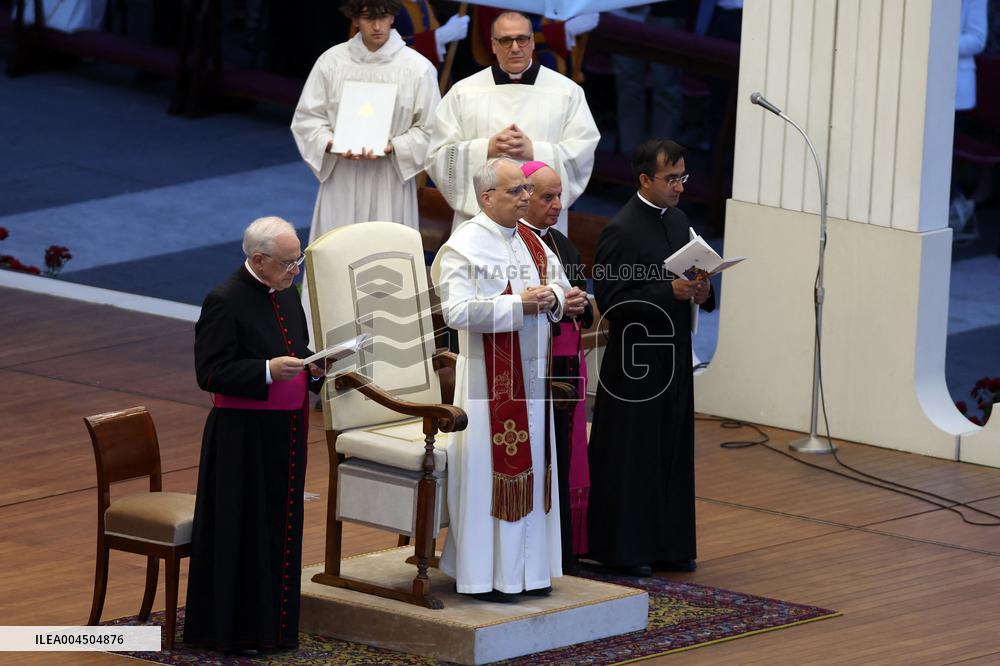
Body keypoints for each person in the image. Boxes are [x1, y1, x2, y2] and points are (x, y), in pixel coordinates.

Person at [431, 157, 589, 601]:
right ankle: (486, 576)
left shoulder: (533, 242)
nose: (525, 197)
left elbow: (557, 287)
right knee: (487, 473)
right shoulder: (464, 244)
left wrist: (562, 300)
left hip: (532, 380)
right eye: (516, 191)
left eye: (525, 189)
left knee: (534, 468)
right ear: (486, 198)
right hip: (487, 385)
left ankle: (529, 572)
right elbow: (456, 312)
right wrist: (519, 304)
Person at [184, 217, 324, 652]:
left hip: (285, 434)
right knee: (244, 531)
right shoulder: (224, 300)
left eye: (297, 260)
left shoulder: (284, 292)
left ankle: (276, 628)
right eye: (287, 263)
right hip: (241, 440)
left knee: (279, 528)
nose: (294, 270)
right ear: (258, 259)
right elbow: (209, 372)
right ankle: (236, 631)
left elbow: (294, 348)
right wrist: (265, 370)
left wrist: (314, 365)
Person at [587, 139, 715, 577]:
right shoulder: (620, 230)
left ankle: (670, 544)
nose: (680, 186)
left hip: (675, 354)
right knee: (634, 453)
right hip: (634, 363)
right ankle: (624, 548)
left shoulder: (678, 221)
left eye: (683, 177)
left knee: (672, 449)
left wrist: (703, 289)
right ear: (645, 180)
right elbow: (611, 300)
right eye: (671, 178)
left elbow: (694, 278)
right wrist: (669, 291)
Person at [425, 11, 600, 235]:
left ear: (533, 42)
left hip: (539, 223)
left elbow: (582, 152)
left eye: (522, 39)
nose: (515, 47)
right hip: (480, 222)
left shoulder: (567, 92)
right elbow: (437, 153)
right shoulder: (464, 91)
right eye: (506, 40)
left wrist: (534, 151)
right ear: (493, 44)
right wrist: (486, 148)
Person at [291, 0, 440, 240]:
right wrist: (332, 143)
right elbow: (308, 117)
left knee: (383, 255)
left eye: (383, 16)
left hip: (389, 181)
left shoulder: (417, 68)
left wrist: (393, 147)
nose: (377, 26)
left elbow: (431, 129)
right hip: (342, 177)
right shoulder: (331, 62)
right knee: (338, 251)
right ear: (355, 19)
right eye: (369, 17)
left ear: (393, 17)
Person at [519, 160, 593, 572]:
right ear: (524, 196)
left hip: (566, 362)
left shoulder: (562, 244)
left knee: (566, 454)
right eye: (548, 196)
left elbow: (580, 299)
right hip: (535, 365)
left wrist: (581, 304)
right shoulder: (514, 244)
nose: (556, 204)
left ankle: (566, 547)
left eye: (559, 196)